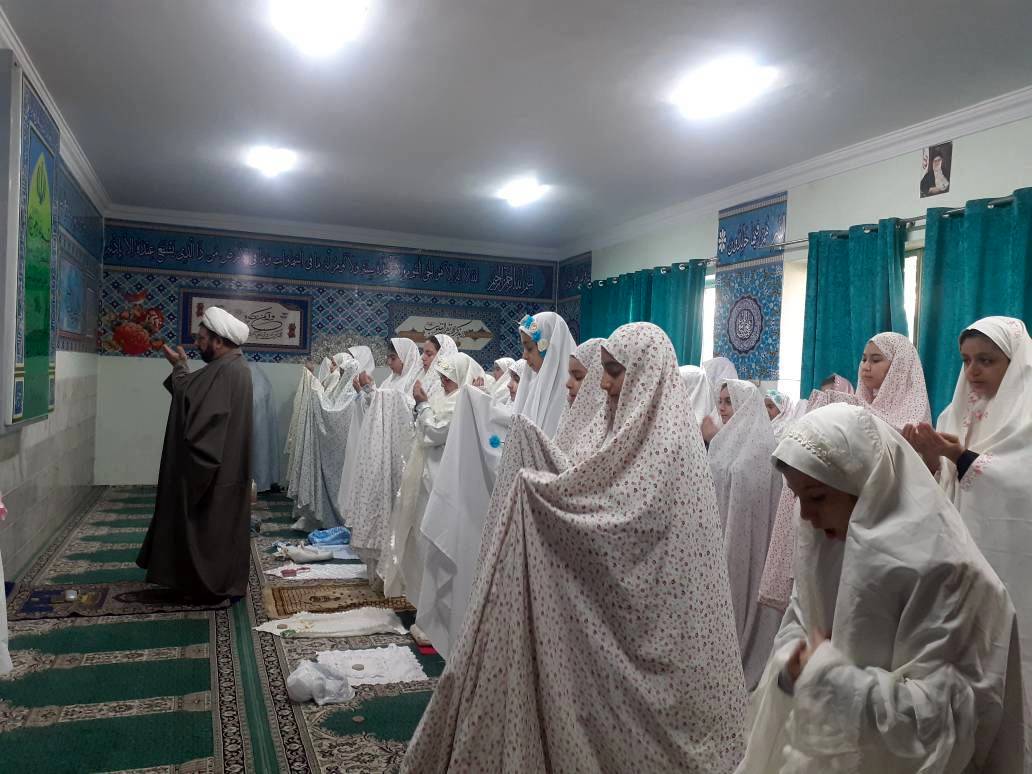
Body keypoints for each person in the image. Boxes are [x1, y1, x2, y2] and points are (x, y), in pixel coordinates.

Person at [402, 323, 747, 772]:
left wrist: (544, 497)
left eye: (613, 372)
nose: (603, 385)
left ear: (645, 376)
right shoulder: (616, 427)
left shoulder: (671, 445)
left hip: (662, 630)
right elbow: (589, 482)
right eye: (600, 372)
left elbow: (625, 523)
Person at [738, 404, 1026, 772]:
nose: (807, 516)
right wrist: (795, 662)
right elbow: (800, 622)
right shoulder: (825, 541)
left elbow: (946, 723)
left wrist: (830, 678)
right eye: (798, 498)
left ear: (865, 485)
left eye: (817, 497)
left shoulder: (945, 571)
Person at [904, 316, 1032, 724]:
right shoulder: (952, 415)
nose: (973, 371)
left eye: (986, 361)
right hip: (960, 560)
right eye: (966, 360)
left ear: (1015, 363)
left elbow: (1023, 483)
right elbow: (938, 490)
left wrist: (961, 459)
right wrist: (931, 460)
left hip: (1012, 559)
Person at [137, 307, 253, 601]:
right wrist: (181, 366)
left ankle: (210, 586)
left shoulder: (227, 370)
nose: (197, 343)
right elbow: (194, 393)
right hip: (225, 469)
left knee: (210, 527)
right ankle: (212, 581)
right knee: (218, 526)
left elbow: (200, 413)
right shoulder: (230, 367)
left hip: (215, 471)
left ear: (218, 341)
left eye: (202, 339)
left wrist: (179, 368)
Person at [382, 353, 484, 603]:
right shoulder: (447, 397)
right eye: (442, 378)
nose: (443, 383)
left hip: (444, 481)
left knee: (434, 540)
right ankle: (420, 600)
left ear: (461, 377)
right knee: (420, 538)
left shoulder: (461, 402)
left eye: (448, 379)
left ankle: (434, 604)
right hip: (427, 478)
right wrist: (424, 407)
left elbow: (434, 432)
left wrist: (423, 405)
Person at [707, 379, 783, 689]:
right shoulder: (721, 442)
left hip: (748, 545)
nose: (723, 408)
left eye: (729, 401)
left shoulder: (763, 449)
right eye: (720, 401)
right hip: (717, 537)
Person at [511, 312, 577, 437]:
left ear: (550, 348)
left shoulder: (571, 393)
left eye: (529, 348)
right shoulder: (530, 385)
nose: (524, 356)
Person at [856, 332, 931, 429]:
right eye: (864, 359)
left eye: (875, 360)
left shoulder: (914, 416)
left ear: (899, 366)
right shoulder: (856, 406)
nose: (865, 367)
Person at [554, 338, 608, 465]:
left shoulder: (608, 435)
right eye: (570, 375)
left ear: (598, 377)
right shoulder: (568, 421)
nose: (568, 384)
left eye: (578, 377)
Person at [248, 362, 280, 493]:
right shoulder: (262, 380)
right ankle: (262, 482)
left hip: (258, 426)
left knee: (259, 451)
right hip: (261, 427)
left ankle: (259, 483)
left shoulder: (257, 381)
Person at [418, 334, 458, 402]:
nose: (423, 358)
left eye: (429, 354)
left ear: (443, 356)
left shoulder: (448, 386)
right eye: (423, 353)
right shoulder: (420, 378)